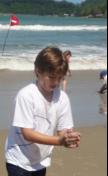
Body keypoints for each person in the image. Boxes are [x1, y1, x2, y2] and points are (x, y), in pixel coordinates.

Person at [5, 47, 81, 176]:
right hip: (18, 159)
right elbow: (27, 134)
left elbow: (63, 131)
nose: (56, 82)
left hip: (40, 160)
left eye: (60, 78)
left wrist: (68, 138)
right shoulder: (26, 95)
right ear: (37, 71)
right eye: (51, 77)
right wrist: (59, 141)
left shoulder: (63, 98)